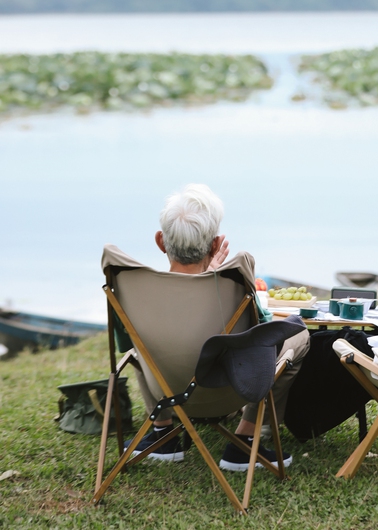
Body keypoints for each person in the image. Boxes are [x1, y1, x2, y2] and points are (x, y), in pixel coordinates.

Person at [127, 183, 310, 470]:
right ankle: (244, 441)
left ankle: (163, 433)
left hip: (167, 388)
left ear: (161, 241)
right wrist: (212, 279)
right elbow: (262, 327)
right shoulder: (231, 282)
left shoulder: (135, 289)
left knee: (139, 345)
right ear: (216, 245)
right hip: (229, 392)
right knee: (299, 337)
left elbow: (122, 341)